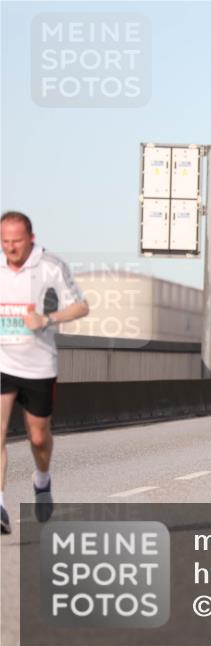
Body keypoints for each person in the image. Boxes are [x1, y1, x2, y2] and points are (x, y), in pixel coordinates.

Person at [1, 211, 89, 535]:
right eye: (5, 241)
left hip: (38, 364)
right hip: (2, 361)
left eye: (17, 241)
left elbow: (82, 306)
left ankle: (42, 480)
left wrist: (47, 319)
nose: (10, 248)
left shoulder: (51, 266)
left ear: (31, 239)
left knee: (38, 437)